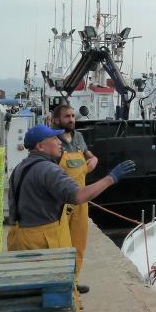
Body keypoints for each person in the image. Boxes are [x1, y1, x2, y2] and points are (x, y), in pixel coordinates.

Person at [7, 124, 135, 312]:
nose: (59, 142)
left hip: (21, 236)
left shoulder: (21, 168)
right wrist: (112, 177)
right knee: (67, 300)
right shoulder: (48, 170)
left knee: (34, 297)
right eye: (53, 139)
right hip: (45, 238)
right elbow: (78, 196)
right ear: (41, 146)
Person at [51, 104, 98, 293]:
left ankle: (74, 280)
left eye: (72, 116)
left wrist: (94, 159)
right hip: (60, 202)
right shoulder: (52, 141)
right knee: (60, 243)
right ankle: (58, 281)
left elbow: (89, 156)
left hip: (81, 200)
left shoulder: (78, 137)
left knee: (78, 241)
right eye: (66, 116)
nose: (71, 119)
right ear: (56, 120)